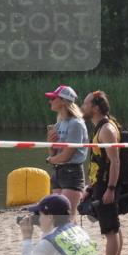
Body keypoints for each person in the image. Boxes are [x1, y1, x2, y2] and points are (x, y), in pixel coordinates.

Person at [82, 90, 123, 255]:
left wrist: (111, 189)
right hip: (100, 184)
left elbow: (114, 161)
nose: (83, 107)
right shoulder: (100, 127)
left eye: (86, 103)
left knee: (110, 231)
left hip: (107, 185)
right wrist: (90, 188)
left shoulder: (106, 129)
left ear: (96, 108)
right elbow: (98, 161)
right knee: (114, 228)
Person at [44, 85, 88, 215]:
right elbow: (55, 152)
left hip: (72, 172)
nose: (50, 101)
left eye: (53, 98)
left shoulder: (76, 123)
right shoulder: (58, 123)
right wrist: (50, 144)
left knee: (67, 217)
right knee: (58, 216)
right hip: (58, 172)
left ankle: (77, 236)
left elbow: (67, 155)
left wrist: (50, 160)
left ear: (63, 101)